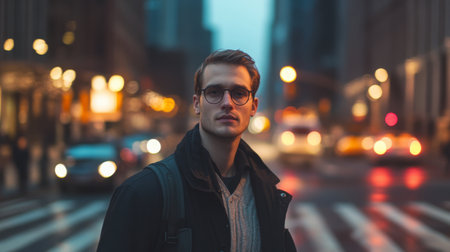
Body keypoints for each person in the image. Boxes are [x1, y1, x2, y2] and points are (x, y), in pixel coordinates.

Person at [97, 49, 296, 252]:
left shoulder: (267, 194)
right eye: (214, 92)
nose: (227, 103)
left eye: (239, 93)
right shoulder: (142, 193)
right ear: (196, 104)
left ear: (253, 106)